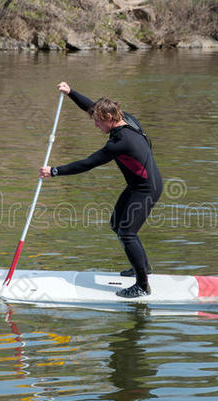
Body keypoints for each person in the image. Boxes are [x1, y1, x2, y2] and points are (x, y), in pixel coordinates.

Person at [40, 82, 163, 298]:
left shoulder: (120, 142)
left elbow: (88, 163)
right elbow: (91, 106)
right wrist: (71, 93)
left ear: (109, 119)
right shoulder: (126, 118)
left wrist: (55, 171)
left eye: (98, 122)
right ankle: (143, 266)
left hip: (146, 189)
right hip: (138, 185)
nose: (96, 125)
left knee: (127, 232)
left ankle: (143, 286)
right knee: (116, 224)